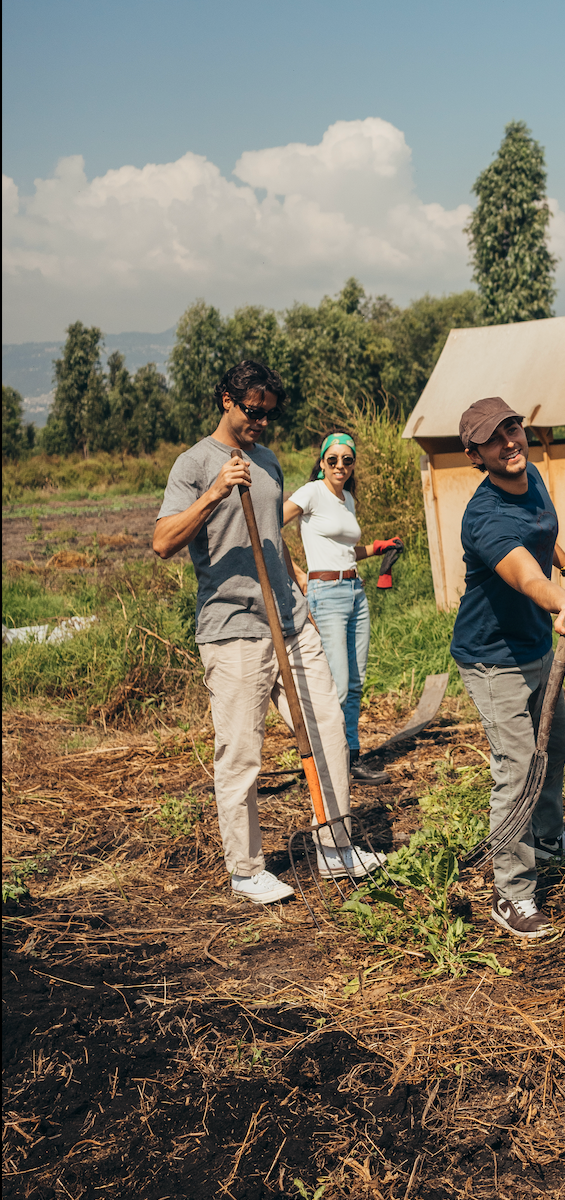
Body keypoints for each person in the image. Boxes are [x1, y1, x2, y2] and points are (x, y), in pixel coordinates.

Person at [153, 360, 371, 904]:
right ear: (226, 400)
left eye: (269, 414)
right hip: (233, 630)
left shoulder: (269, 462)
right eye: (254, 412)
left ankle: (335, 846)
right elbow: (161, 542)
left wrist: (298, 587)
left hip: (292, 624)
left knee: (326, 728)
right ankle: (246, 870)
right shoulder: (194, 464)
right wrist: (214, 494)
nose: (262, 423)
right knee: (242, 753)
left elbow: (272, 538)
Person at [449, 398, 565, 941]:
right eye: (494, 438)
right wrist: (559, 599)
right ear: (475, 455)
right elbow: (522, 573)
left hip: (537, 643)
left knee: (554, 747)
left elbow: (542, 535)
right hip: (494, 657)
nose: (510, 442)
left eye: (513, 429)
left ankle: (549, 838)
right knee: (517, 767)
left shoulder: (530, 475)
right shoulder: (482, 516)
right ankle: (511, 893)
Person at [283, 432, 400, 784]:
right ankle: (324, 761)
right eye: (332, 460)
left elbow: (346, 551)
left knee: (357, 681)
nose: (340, 466)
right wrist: (299, 575)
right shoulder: (311, 492)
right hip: (326, 592)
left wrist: (376, 548)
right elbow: (269, 528)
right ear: (321, 463)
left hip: (354, 590)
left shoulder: (347, 498)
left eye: (347, 460)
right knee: (338, 682)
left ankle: (350, 757)